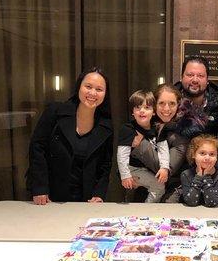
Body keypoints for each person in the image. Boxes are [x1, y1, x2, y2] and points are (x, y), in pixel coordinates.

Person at [27, 67, 113, 204]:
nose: (92, 93)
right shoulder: (55, 111)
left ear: (105, 94)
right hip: (49, 196)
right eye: (88, 86)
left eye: (99, 89)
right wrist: (40, 187)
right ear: (79, 87)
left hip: (87, 199)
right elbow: (37, 148)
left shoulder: (106, 125)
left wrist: (99, 193)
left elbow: (105, 164)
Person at [130, 83, 189, 202]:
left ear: (178, 105)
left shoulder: (183, 131)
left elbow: (163, 169)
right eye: (161, 103)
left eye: (172, 104)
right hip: (143, 189)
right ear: (154, 105)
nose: (166, 109)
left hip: (171, 193)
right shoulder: (143, 124)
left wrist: (141, 143)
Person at [117, 90, 169, 203]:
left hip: (148, 169)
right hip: (133, 169)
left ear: (154, 111)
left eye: (147, 107)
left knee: (156, 187)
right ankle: (146, 210)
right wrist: (125, 175)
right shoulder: (128, 129)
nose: (142, 111)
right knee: (159, 187)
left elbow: (163, 149)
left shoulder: (158, 127)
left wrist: (164, 167)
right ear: (133, 112)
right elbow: (122, 155)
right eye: (137, 107)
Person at [174, 55, 218, 138]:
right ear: (181, 78)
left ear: (207, 80)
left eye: (200, 76)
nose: (195, 80)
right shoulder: (169, 102)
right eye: (190, 75)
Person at [180, 134, 218, 207]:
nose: (207, 158)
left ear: (217, 158)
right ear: (193, 155)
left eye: (212, 154)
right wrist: (199, 176)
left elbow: (211, 202)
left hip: (215, 214)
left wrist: (206, 176)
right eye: (202, 153)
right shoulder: (186, 174)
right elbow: (191, 202)